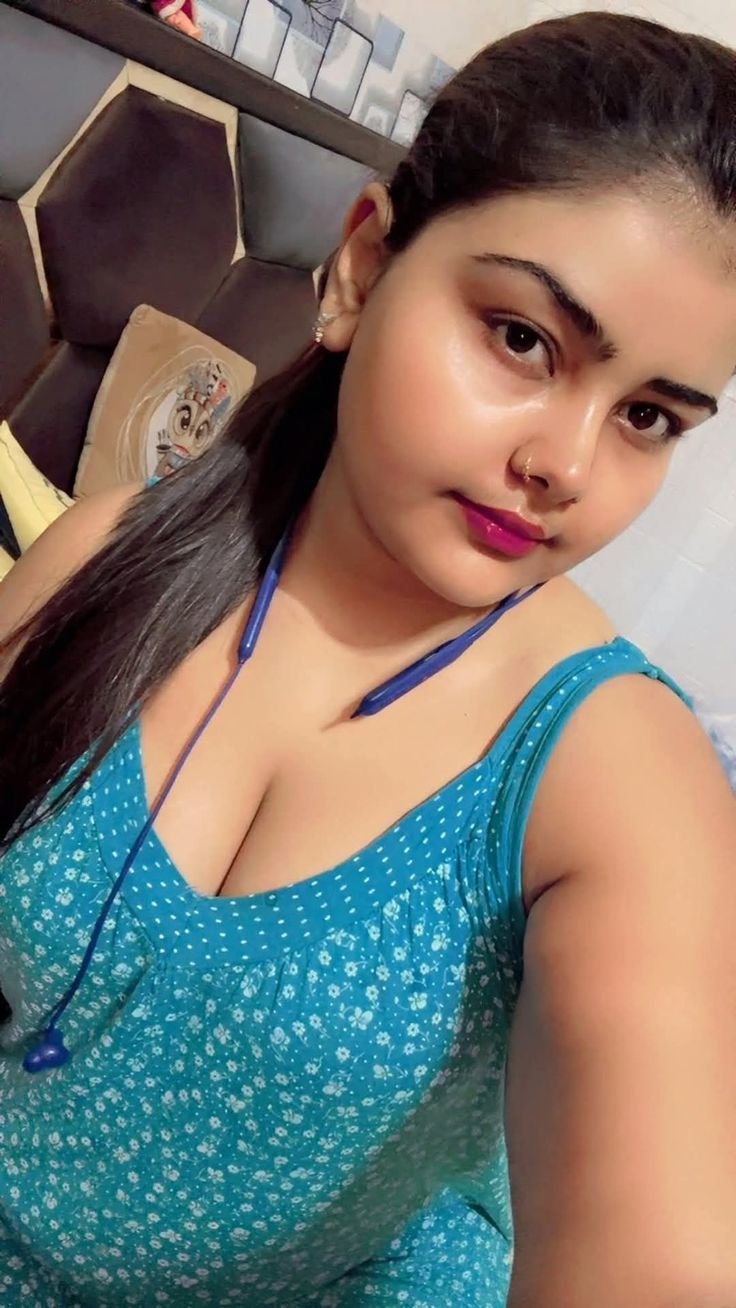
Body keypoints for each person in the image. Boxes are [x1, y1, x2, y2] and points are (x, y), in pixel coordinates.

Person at [0, 11, 735, 1307]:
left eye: (646, 417)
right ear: (360, 269)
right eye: (522, 339)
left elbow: (660, 1259)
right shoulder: (109, 557)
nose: (565, 464)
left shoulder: (614, 771)